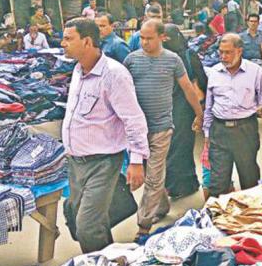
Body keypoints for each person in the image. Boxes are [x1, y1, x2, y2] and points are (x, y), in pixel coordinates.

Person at [61, 18, 149, 253]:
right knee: (85, 222)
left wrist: (137, 161)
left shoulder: (114, 75)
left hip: (102, 162)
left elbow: (134, 119)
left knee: (87, 226)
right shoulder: (78, 71)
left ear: (87, 41)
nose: (63, 44)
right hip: (75, 162)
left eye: (69, 39)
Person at [125, 19, 204, 239]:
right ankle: (161, 206)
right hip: (136, 131)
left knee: (154, 177)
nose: (144, 42)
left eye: (149, 38)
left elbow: (188, 88)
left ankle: (143, 225)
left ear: (162, 37)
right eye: (141, 38)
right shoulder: (131, 60)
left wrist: (200, 114)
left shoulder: (173, 60)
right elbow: (120, 91)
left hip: (161, 129)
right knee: (150, 173)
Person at [203, 33, 262, 197]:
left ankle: (250, 216)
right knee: (217, 183)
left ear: (239, 51)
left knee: (249, 179)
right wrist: (207, 133)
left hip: (245, 130)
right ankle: (217, 219)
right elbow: (209, 106)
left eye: (228, 52)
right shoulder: (214, 73)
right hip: (219, 131)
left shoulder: (255, 72)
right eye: (221, 52)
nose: (223, 56)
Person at [164, 24, 209, 200]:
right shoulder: (187, 55)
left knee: (176, 146)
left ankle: (177, 185)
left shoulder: (166, 56)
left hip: (180, 106)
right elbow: (203, 79)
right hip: (182, 107)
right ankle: (184, 184)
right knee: (181, 146)